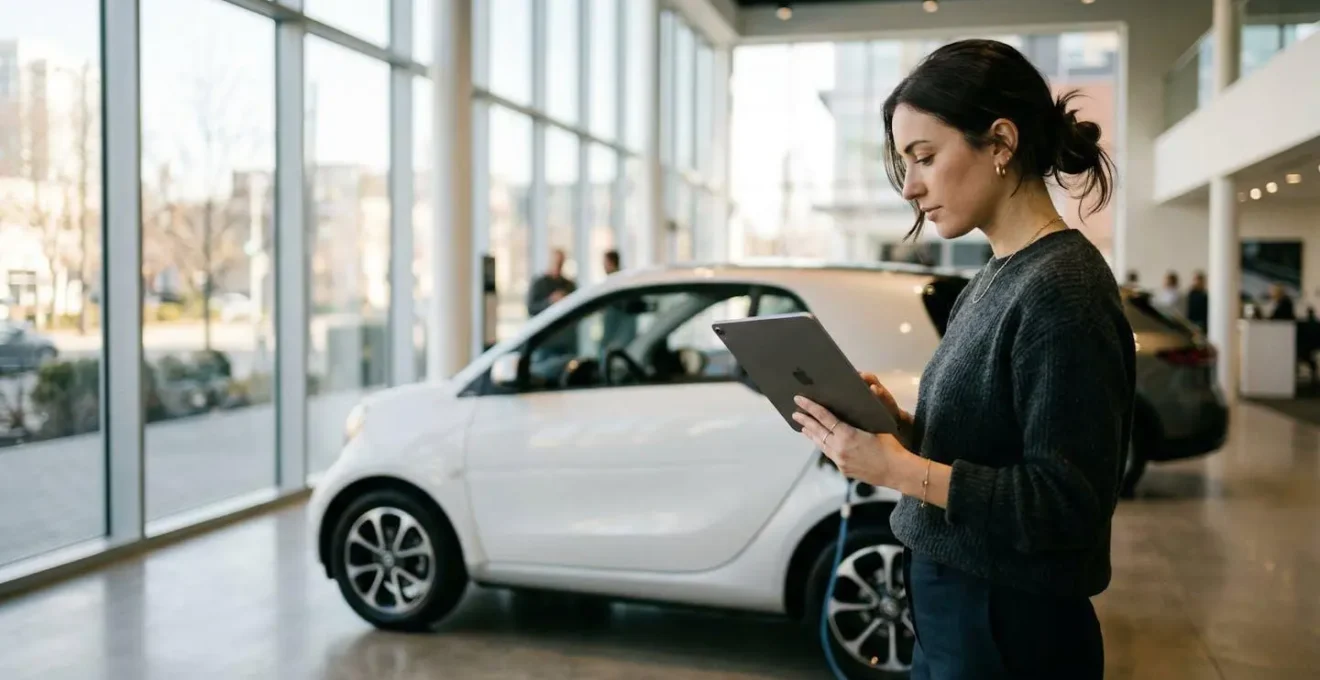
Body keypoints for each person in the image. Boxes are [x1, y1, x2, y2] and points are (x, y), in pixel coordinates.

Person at [791, 39, 1133, 680]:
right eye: (905, 163)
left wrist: (898, 470)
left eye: (924, 157)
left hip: (1009, 620)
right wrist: (901, 429)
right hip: (955, 602)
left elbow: (1066, 505)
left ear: (1001, 142)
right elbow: (991, 450)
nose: (911, 186)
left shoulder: (1063, 288)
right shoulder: (995, 276)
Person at [527, 248, 576, 317]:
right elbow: (531, 309)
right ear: (550, 262)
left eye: (560, 263)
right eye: (555, 262)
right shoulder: (538, 283)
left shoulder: (569, 285)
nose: (557, 266)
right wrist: (550, 301)